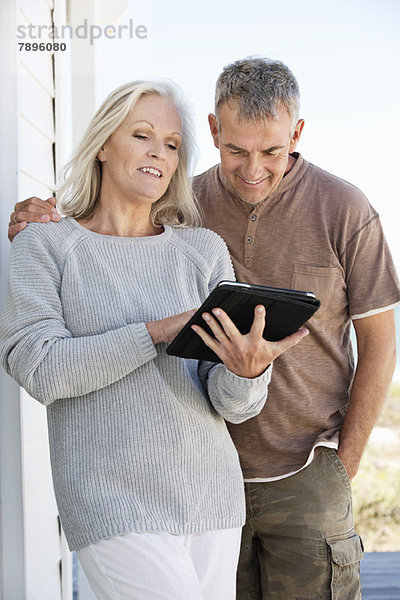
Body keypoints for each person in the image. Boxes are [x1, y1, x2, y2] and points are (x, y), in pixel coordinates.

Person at [7, 58, 400, 599]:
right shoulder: (83, 234)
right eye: (236, 150)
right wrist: (156, 328)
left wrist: (258, 381)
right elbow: (44, 367)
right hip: (132, 492)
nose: (254, 169)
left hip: (257, 484)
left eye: (170, 143)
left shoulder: (305, 218)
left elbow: (367, 349)